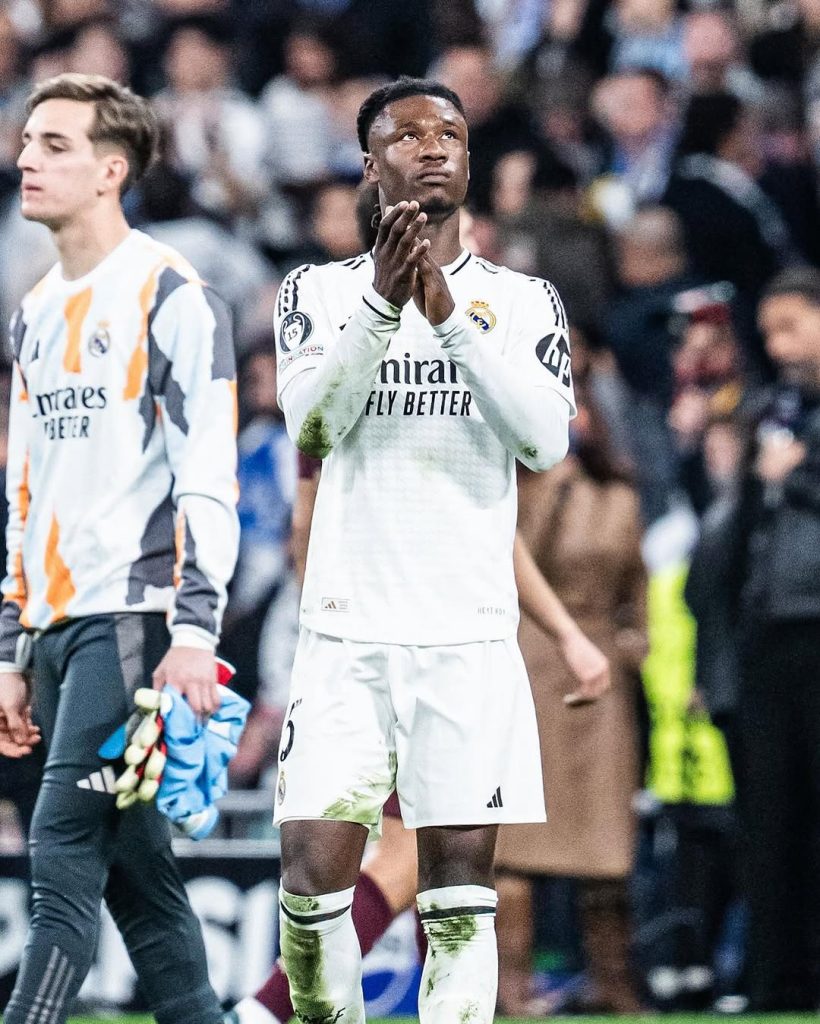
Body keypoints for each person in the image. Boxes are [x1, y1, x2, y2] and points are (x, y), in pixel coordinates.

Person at [271, 76, 576, 1024]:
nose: (433, 145)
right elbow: (313, 423)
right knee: (309, 884)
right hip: (346, 630)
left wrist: (447, 318)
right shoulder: (316, 292)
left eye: (449, 133)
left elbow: (544, 443)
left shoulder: (523, 301)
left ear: (470, 160)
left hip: (468, 636)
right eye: (407, 135)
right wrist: (383, 305)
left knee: (458, 899)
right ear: (372, 166)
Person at [0, 73, 239, 1024]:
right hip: (57, 629)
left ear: (112, 170)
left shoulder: (171, 293)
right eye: (28, 141)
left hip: (135, 622)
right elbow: (26, 494)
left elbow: (207, 476)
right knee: (140, 878)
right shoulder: (33, 311)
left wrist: (196, 631)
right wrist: (12, 646)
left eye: (54, 144)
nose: (27, 159)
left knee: (62, 846)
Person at [232, 451, 610, 1024]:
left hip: (385, 656)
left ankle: (267, 1011)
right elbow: (306, 526)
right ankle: (264, 1011)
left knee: (422, 862)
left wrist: (565, 634)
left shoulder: (352, 417)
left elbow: (309, 525)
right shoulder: (427, 417)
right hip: (410, 658)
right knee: (413, 862)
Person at [495, 334, 648, 1015]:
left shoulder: (620, 495)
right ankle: (510, 985)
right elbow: (509, 561)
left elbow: (636, 582)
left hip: (600, 677)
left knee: (606, 837)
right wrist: (550, 487)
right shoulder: (516, 486)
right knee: (515, 840)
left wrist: (635, 640)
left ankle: (613, 981)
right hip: (528, 665)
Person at [708, 266, 820, 1010]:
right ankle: (775, 978)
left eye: (792, 327)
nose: (778, 346)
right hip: (766, 635)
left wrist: (798, 477)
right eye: (770, 332)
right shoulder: (774, 410)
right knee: (768, 815)